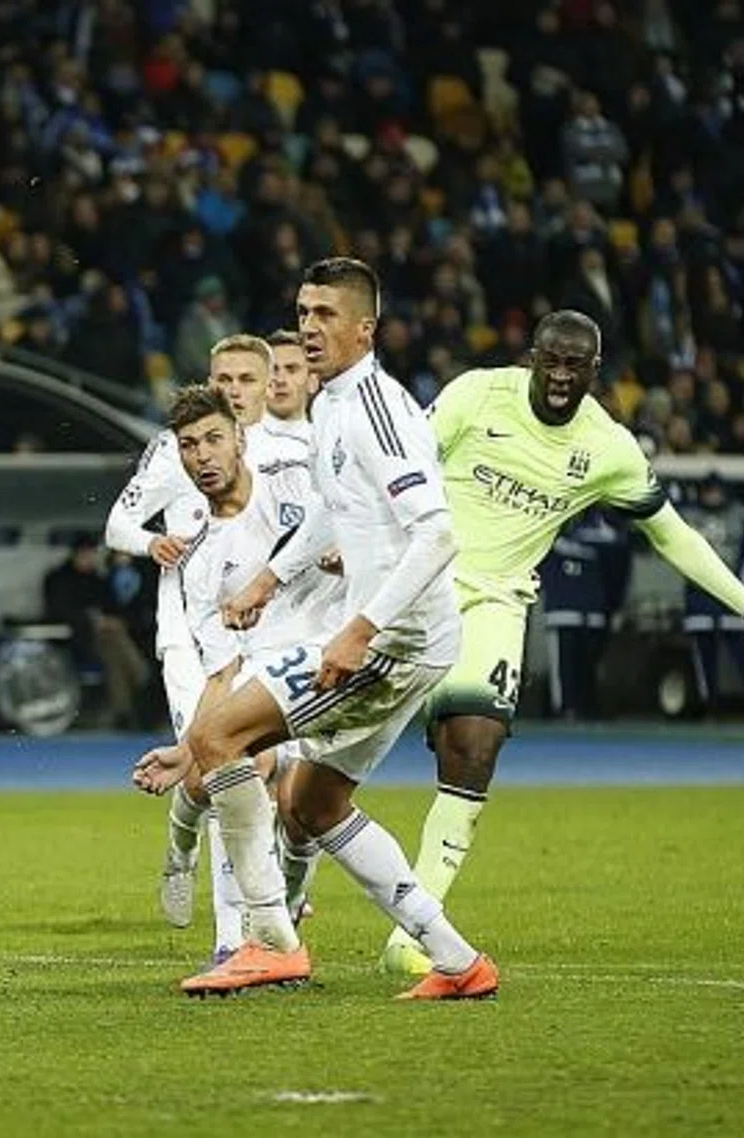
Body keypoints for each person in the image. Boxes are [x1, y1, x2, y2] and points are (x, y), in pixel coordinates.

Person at [376, 311, 744, 976]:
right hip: (409, 587)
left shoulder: (609, 448)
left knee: (474, 748)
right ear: (532, 358)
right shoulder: (476, 394)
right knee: (327, 754)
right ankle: (274, 916)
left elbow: (672, 532)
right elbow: (399, 469)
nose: (560, 377)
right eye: (551, 362)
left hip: (495, 603)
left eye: (575, 366)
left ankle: (410, 937)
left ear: (596, 371)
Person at [133, 257, 493, 1000]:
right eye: (303, 311)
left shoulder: (379, 409)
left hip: (393, 645)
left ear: (366, 328)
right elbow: (333, 507)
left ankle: (269, 940)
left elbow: (436, 535)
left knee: (215, 739)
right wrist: (271, 577)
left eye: (327, 315)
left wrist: (359, 628)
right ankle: (460, 963)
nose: (309, 326)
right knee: (312, 804)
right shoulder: (332, 404)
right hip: (405, 643)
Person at [102, 333, 309, 958]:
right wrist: (151, 545)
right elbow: (117, 524)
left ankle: (222, 867)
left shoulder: (291, 452)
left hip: (272, 639)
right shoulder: (177, 450)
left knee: (285, 782)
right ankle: (231, 940)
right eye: (225, 379)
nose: (236, 391)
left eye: (249, 380)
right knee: (226, 772)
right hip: (190, 641)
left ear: (270, 382)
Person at [679, 474, 744, 716]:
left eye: (716, 491)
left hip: (732, 596)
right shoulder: (689, 516)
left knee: (743, 652)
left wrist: (738, 588)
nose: (712, 496)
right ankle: (711, 704)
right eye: (708, 491)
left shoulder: (740, 514)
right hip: (699, 595)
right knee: (704, 654)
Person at [42, 538, 150, 729]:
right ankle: (139, 672)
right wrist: (91, 620)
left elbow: (112, 609)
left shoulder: (98, 580)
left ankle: (122, 713)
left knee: (114, 659)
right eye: (86, 555)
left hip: (105, 640)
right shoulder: (59, 579)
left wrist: (109, 621)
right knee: (114, 641)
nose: (90, 558)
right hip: (77, 639)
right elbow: (59, 611)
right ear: (75, 555)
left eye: (92, 554)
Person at [538, 509, 631, 718]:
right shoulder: (604, 537)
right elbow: (617, 572)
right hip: (587, 612)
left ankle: (568, 708)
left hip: (568, 611)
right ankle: (574, 707)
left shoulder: (546, 537)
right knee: (580, 666)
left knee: (569, 667)